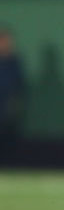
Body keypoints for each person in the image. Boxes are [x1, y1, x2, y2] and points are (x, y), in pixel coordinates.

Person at [0, 27, 24, 163]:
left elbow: (19, 85)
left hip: (8, 109)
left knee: (8, 141)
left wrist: (15, 103)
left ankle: (9, 165)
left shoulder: (14, 62)